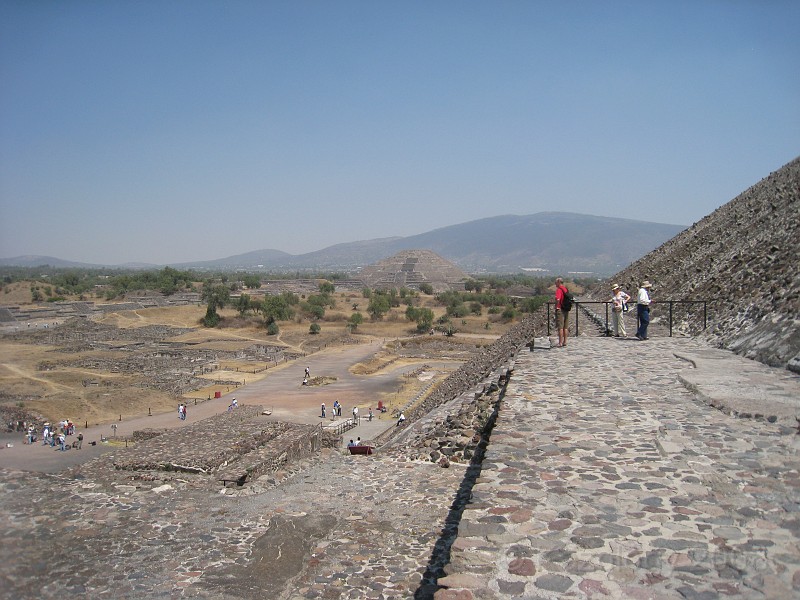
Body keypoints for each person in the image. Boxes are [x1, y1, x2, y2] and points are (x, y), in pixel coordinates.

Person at [554, 277, 570, 348]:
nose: (555, 284)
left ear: (559, 282)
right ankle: (565, 341)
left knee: (560, 327)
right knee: (565, 327)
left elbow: (558, 299)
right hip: (566, 309)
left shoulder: (559, 290)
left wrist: (556, 306)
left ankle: (560, 342)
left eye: (556, 282)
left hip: (560, 309)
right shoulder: (565, 289)